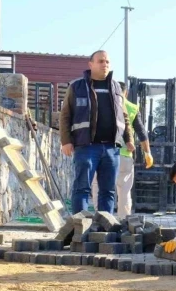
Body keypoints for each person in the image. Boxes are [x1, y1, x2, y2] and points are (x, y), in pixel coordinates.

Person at [60, 50, 134, 213]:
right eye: (100, 61)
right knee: (82, 188)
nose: (104, 64)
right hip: (86, 147)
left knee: (108, 191)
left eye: (107, 62)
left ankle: (104, 228)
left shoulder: (115, 87)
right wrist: (66, 141)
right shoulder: (77, 87)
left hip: (111, 148)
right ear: (90, 64)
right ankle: (80, 228)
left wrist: (129, 139)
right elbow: (65, 115)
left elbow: (124, 116)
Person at [91, 81, 153, 218]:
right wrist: (147, 153)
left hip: (106, 153)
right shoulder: (132, 107)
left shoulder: (103, 102)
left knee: (99, 186)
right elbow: (142, 132)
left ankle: (101, 218)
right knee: (124, 190)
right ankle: (124, 220)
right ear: (126, 93)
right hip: (125, 155)